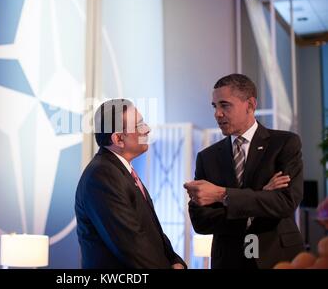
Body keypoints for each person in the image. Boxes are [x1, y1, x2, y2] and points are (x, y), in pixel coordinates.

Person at [184, 74, 304, 269]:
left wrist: (221, 195)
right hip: (229, 260)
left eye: (225, 105)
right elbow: (201, 221)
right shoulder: (207, 157)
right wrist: (262, 196)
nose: (217, 114)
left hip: (278, 257)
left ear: (250, 104)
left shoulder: (284, 143)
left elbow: (285, 203)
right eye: (215, 107)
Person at [75, 99, 187, 269]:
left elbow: (152, 232)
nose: (147, 129)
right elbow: (132, 244)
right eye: (139, 125)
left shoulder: (119, 170)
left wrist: (176, 261)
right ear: (119, 138)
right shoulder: (102, 175)